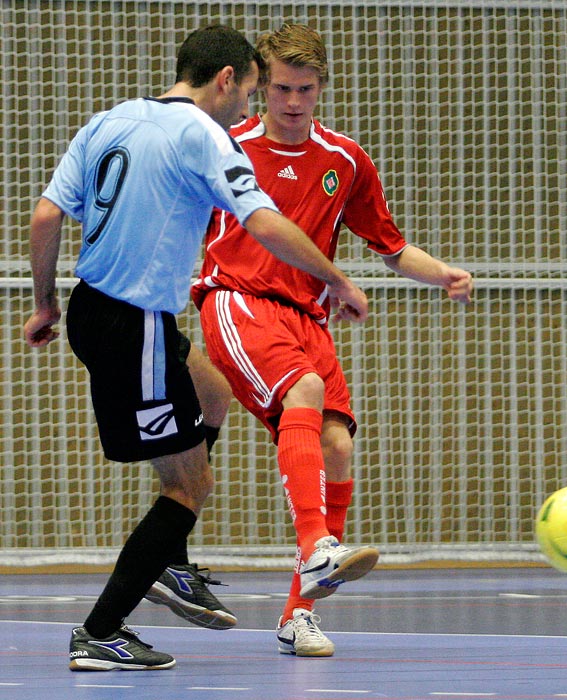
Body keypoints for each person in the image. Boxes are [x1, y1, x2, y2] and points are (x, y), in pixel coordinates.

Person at [23, 23, 370, 671]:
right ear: (226, 80)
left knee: (214, 390)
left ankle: (172, 563)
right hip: (137, 324)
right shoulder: (203, 135)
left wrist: (44, 303)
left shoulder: (110, 119)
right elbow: (263, 221)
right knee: (190, 484)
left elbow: (46, 217)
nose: (250, 110)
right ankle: (101, 632)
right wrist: (336, 277)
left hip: (90, 309)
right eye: (251, 94)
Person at [191, 23, 474, 658]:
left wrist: (444, 275)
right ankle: (320, 547)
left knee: (338, 447)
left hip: (308, 319)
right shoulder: (222, 144)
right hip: (238, 301)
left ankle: (299, 614)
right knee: (306, 389)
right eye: (282, 88)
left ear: (322, 89)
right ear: (262, 85)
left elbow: (391, 247)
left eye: (306, 90)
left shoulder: (345, 160)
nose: (292, 102)